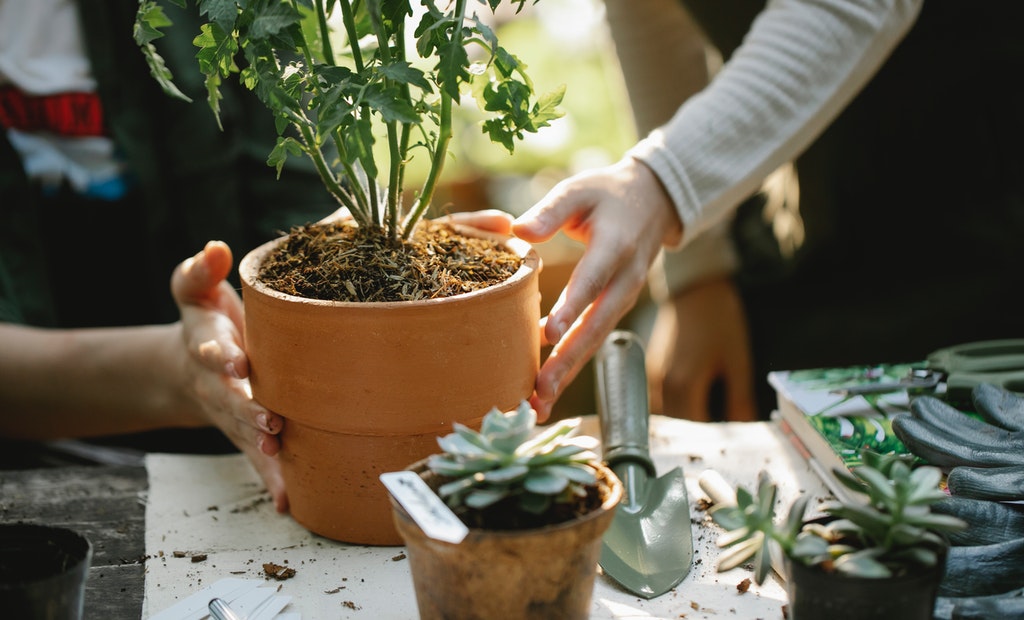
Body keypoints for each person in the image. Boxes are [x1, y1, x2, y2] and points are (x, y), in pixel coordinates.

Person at [500, 0, 1024, 422]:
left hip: (977, 221)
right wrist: (697, 275)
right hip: (810, 222)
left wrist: (661, 183)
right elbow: (648, 11)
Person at [0, 0, 332, 509]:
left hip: (252, 440)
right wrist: (185, 371)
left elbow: (310, 204)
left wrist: (390, 250)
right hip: (31, 474)